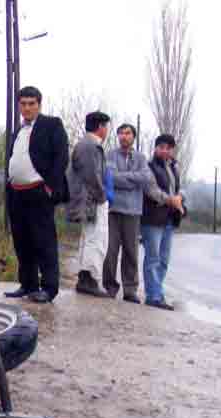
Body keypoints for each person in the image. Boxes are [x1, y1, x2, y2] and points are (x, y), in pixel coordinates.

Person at [4, 86, 69, 304]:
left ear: (39, 104)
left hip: (39, 191)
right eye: (23, 103)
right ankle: (28, 284)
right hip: (17, 193)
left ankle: (49, 288)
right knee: (22, 241)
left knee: (44, 241)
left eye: (32, 103)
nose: (27, 107)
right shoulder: (18, 130)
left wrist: (51, 186)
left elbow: (61, 157)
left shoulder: (52, 125)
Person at [102, 123, 152, 303]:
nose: (124, 136)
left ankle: (130, 289)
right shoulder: (110, 155)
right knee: (110, 250)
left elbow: (146, 178)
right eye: (121, 133)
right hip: (113, 209)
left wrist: (124, 179)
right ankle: (109, 286)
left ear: (133, 137)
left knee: (131, 252)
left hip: (133, 211)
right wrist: (133, 179)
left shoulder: (141, 157)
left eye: (128, 133)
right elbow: (111, 177)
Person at [66, 111, 112, 297]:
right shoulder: (90, 146)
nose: (107, 130)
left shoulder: (87, 144)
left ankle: (86, 277)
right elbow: (91, 176)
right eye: (106, 126)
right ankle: (90, 279)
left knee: (91, 239)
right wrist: (102, 196)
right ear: (101, 127)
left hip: (88, 200)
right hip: (90, 201)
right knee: (95, 239)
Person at [142, 134, 185, 311]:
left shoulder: (174, 167)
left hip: (169, 219)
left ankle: (157, 292)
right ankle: (153, 296)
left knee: (164, 260)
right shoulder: (149, 167)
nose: (164, 151)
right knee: (152, 258)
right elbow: (151, 190)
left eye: (168, 148)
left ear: (172, 149)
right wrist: (171, 200)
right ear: (156, 148)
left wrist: (180, 197)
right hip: (152, 218)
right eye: (161, 147)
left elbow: (179, 188)